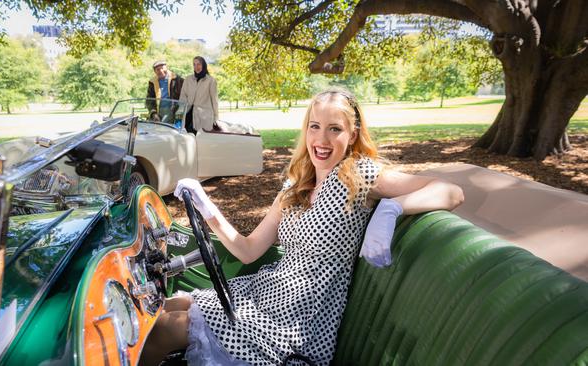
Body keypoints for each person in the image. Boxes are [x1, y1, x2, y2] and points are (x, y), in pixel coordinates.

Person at [144, 89, 465, 365]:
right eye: (315, 126)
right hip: (263, 295)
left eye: (334, 129)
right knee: (162, 311)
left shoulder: (359, 175)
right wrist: (206, 207)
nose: (321, 139)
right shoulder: (295, 187)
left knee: (165, 330)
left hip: (299, 324)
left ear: (352, 135)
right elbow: (248, 248)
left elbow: (451, 191)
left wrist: (393, 209)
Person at [179, 56, 219, 134]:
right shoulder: (188, 79)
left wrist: (216, 117)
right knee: (189, 140)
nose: (196, 67)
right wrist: (180, 114)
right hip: (189, 115)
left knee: (202, 142)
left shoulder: (211, 81)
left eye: (199, 64)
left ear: (203, 65)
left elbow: (214, 100)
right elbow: (183, 97)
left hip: (205, 117)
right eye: (194, 64)